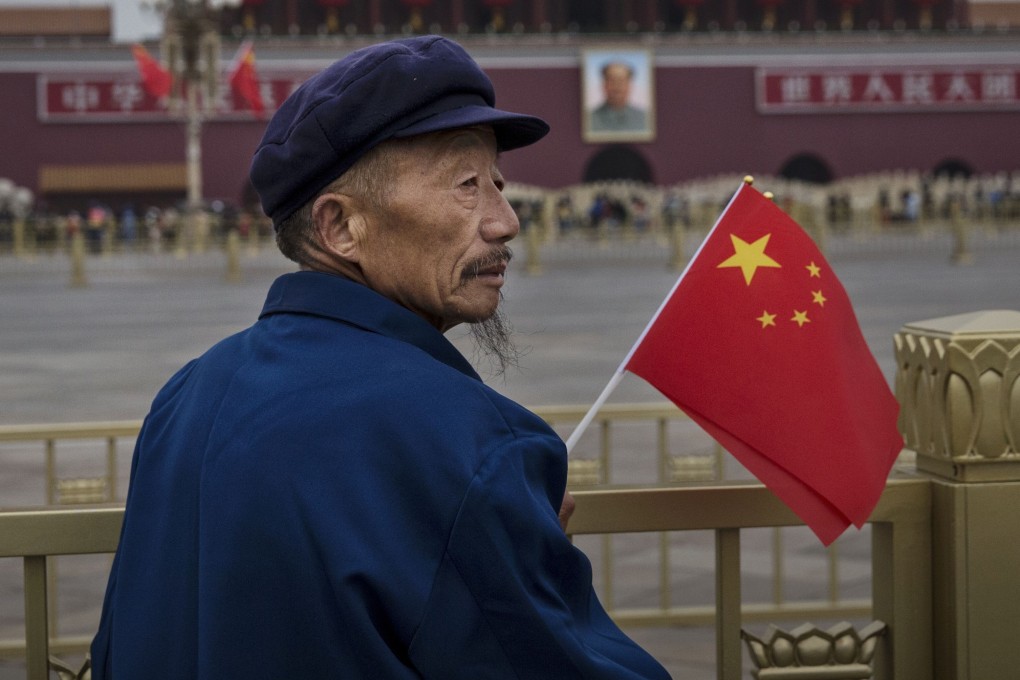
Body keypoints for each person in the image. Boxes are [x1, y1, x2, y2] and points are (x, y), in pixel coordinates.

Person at [90, 35, 671, 680]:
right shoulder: (469, 445)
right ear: (341, 228)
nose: (505, 220)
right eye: (466, 185)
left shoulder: (184, 396)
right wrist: (533, 567)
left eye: (499, 182)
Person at [589, 60, 649, 133]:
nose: (617, 87)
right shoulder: (590, 118)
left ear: (629, 86)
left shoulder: (644, 118)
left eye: (621, 81)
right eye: (612, 81)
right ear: (604, 85)